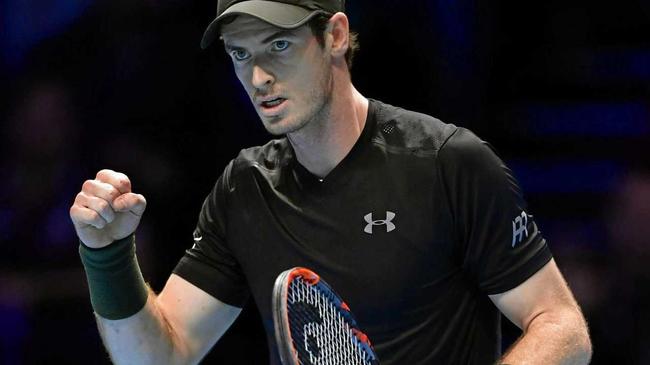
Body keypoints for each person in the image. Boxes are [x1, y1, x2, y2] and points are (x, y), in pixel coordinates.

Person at [69, 0, 593, 363]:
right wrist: (107, 255)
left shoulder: (447, 163)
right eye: (241, 54)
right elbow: (160, 356)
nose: (258, 77)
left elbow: (563, 327)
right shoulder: (244, 189)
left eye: (278, 46)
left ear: (336, 36)